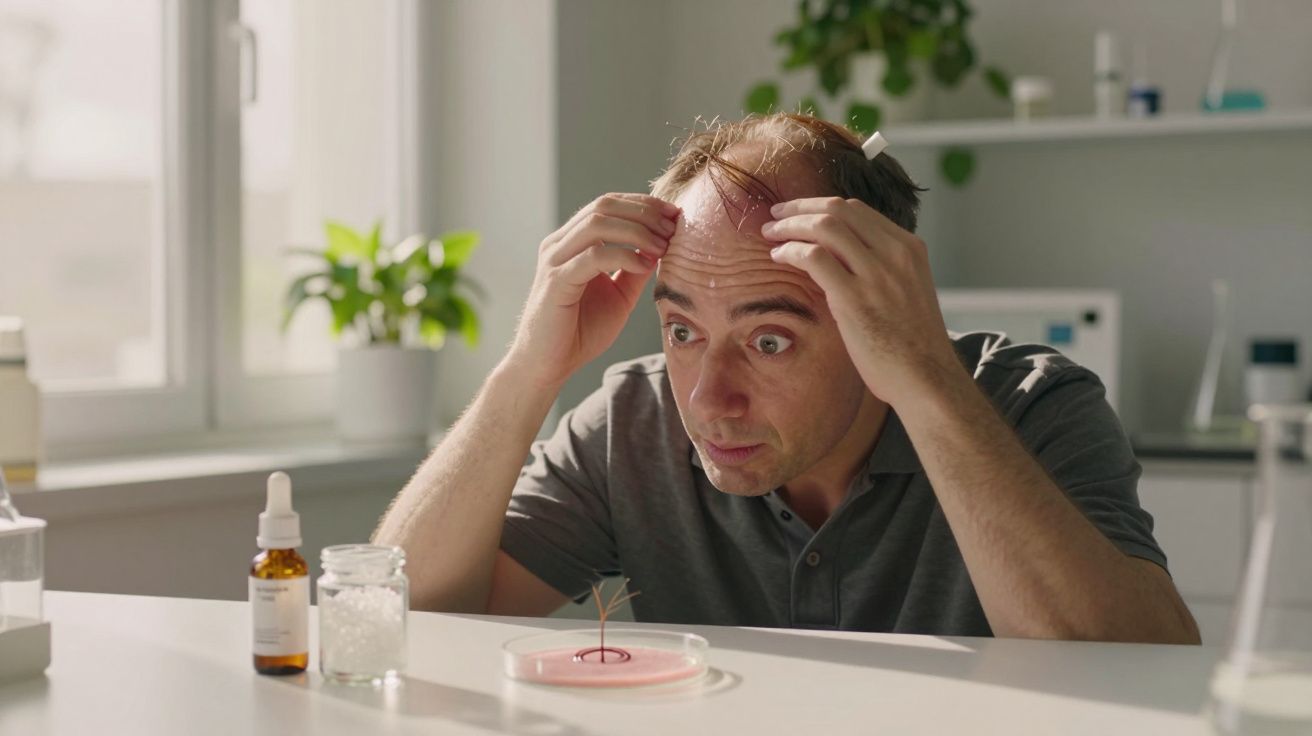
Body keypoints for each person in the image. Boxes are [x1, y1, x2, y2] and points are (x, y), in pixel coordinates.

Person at [373, 113, 1200, 643]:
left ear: (877, 311)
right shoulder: (634, 420)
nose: (707, 400)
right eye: (684, 330)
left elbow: (1139, 667)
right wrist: (529, 368)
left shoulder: (1031, 407)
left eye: (770, 340)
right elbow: (394, 618)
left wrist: (924, 379)